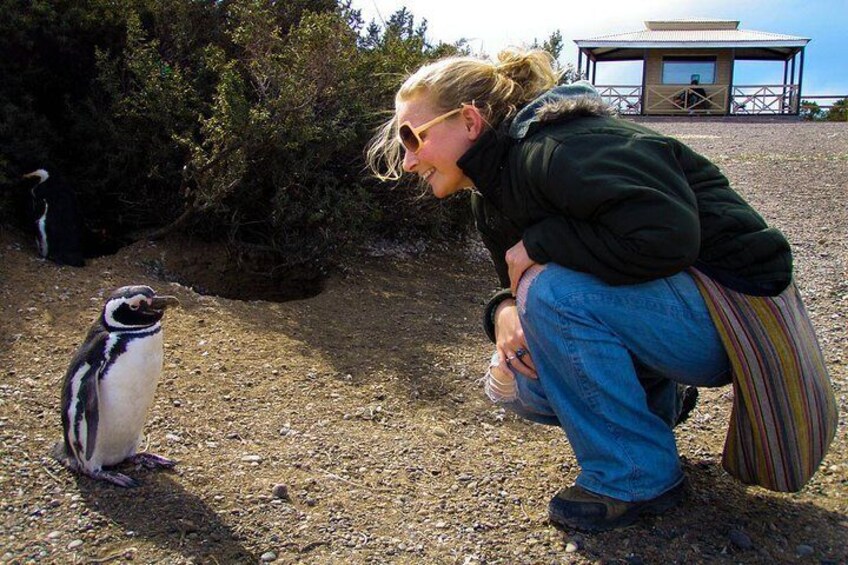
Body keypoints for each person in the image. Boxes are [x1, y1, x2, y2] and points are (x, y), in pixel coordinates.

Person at [365, 49, 797, 532]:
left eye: (412, 137)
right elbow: (512, 278)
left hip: (743, 316)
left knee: (551, 294)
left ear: (469, 120)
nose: (407, 161)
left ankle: (637, 476)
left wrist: (540, 248)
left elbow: (667, 237)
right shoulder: (493, 194)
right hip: (678, 314)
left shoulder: (562, 148)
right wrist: (505, 311)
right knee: (521, 383)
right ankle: (657, 407)